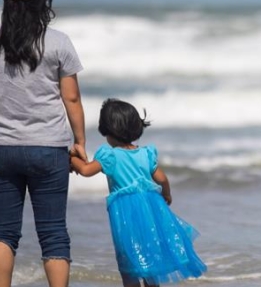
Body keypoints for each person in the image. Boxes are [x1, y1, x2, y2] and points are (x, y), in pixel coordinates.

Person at [0, 0, 87, 287]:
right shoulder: (59, 42)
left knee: (3, 231)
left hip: (1, 150)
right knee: (53, 233)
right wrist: (80, 142)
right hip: (48, 150)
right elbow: (71, 99)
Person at [70, 98, 206, 286]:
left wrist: (70, 158)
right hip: (152, 212)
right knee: (151, 260)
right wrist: (167, 194)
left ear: (107, 129)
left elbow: (85, 170)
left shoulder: (110, 156)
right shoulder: (145, 154)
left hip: (125, 217)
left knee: (129, 261)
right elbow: (162, 179)